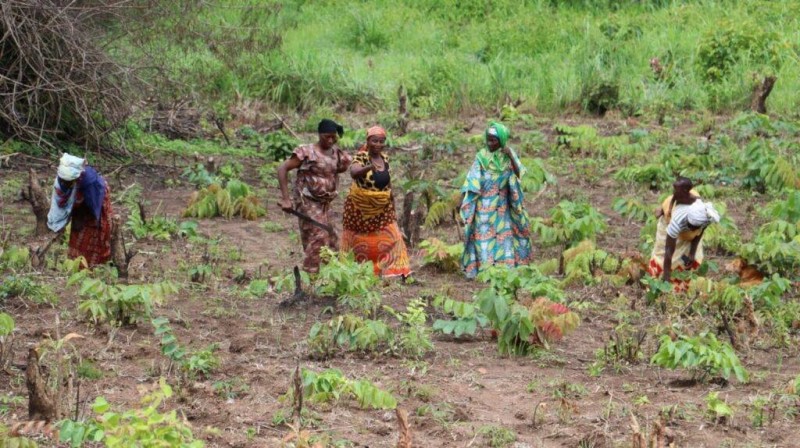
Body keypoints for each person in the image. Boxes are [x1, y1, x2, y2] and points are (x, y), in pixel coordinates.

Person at [277, 119, 352, 273]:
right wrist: (286, 199)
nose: (330, 140)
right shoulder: (307, 152)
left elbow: (344, 168)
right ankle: (311, 277)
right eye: (326, 137)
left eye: (333, 137)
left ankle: (332, 277)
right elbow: (282, 169)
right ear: (319, 135)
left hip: (325, 204)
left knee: (332, 240)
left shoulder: (338, 155)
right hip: (308, 202)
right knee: (318, 236)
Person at [460, 121, 533, 278]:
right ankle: (485, 272)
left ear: (502, 140)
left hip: (502, 209)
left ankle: (504, 273)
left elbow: (519, 173)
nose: (490, 143)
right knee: (483, 241)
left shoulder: (508, 156)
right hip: (484, 209)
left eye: (494, 140)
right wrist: (467, 198)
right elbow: (471, 180)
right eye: (488, 139)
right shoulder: (481, 157)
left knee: (503, 240)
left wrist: (511, 156)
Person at [341, 126, 411, 278]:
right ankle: (353, 271)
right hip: (360, 208)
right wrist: (370, 167)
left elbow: (388, 182)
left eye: (381, 141)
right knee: (357, 239)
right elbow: (353, 173)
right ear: (368, 141)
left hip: (382, 206)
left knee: (393, 236)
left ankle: (396, 270)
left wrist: (392, 202)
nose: (378, 144)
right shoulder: (361, 156)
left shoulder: (385, 158)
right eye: (374, 141)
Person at [647, 177, 720, 289]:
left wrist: (692, 252)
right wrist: (666, 279)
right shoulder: (677, 219)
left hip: (687, 236)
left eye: (694, 227)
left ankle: (686, 286)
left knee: (691, 260)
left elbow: (699, 233)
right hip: (669, 221)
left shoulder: (706, 216)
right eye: (690, 226)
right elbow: (668, 250)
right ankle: (661, 281)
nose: (692, 229)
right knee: (662, 261)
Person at [47, 153, 113, 267]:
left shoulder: (89, 183)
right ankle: (76, 264)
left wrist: (79, 209)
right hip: (80, 202)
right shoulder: (62, 180)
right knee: (77, 231)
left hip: (95, 201)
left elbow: (94, 206)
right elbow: (59, 202)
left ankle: (96, 265)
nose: (64, 183)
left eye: (68, 181)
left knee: (96, 232)